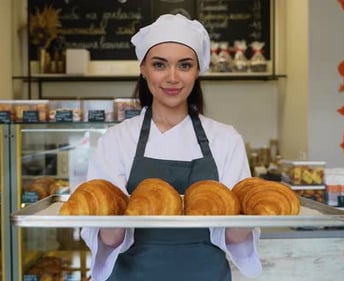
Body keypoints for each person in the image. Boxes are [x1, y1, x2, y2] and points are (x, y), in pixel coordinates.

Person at [80, 13, 262, 281]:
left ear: (197, 71)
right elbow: (108, 238)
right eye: (160, 65)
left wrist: (252, 211)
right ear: (143, 69)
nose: (173, 77)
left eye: (185, 65)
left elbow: (236, 234)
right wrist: (106, 219)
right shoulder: (117, 140)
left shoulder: (225, 139)